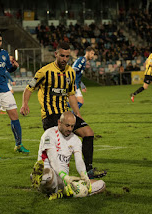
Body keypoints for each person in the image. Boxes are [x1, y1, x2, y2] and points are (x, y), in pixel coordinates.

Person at [20, 42, 106, 179]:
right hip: (50, 115)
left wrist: (77, 114)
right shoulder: (44, 71)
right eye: (62, 56)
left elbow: (71, 94)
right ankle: (42, 172)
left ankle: (89, 170)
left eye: (67, 56)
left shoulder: (70, 72)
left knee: (88, 133)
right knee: (59, 148)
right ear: (56, 54)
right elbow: (29, 88)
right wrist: (25, 104)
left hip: (66, 114)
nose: (64, 59)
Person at [31, 112, 106, 200]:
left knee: (101, 185)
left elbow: (79, 160)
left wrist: (84, 175)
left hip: (64, 180)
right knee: (48, 175)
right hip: (52, 173)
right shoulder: (49, 134)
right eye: (67, 125)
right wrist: (65, 176)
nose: (70, 129)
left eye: (72, 126)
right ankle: (39, 178)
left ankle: (64, 192)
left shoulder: (75, 140)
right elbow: (53, 160)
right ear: (59, 122)